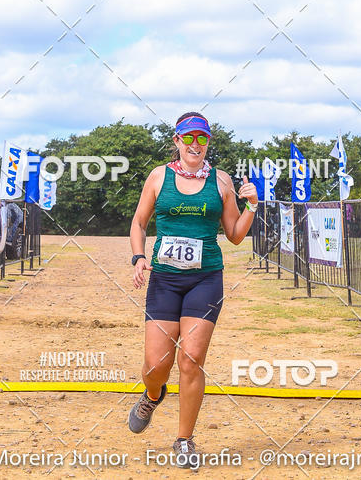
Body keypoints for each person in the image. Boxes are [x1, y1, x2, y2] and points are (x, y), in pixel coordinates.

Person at [128, 111, 258, 468]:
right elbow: (139, 222)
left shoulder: (222, 182)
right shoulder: (159, 177)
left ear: (208, 143)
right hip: (165, 280)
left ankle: (184, 439)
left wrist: (251, 207)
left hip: (205, 279)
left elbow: (234, 234)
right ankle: (153, 395)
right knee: (156, 365)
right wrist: (139, 257)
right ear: (177, 141)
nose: (195, 145)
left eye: (202, 138)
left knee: (191, 359)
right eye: (189, 138)